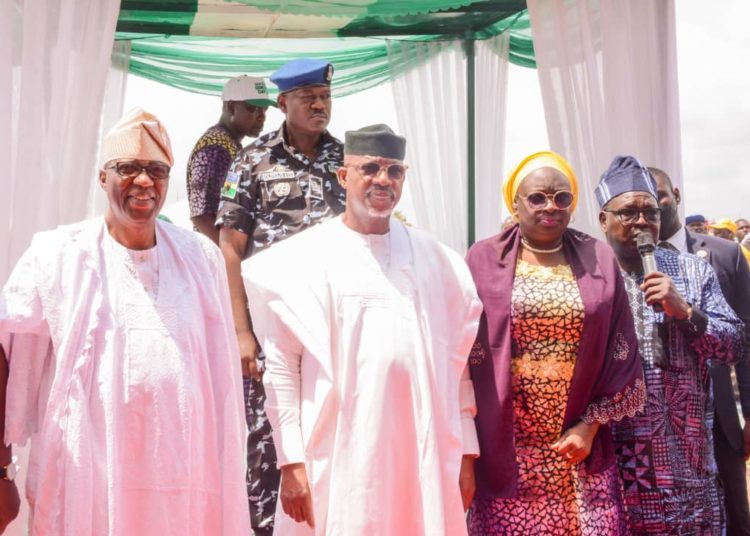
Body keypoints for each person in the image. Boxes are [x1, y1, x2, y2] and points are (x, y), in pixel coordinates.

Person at [0, 109, 250, 535]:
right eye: (128, 168)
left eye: (156, 170)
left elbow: (222, 379)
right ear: (103, 178)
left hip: (183, 473)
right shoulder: (58, 255)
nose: (144, 182)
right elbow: (7, 352)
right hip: (88, 477)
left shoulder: (200, 257)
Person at [243, 124, 482, 535]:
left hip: (419, 452)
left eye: (394, 171)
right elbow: (282, 370)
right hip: (335, 454)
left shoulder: (438, 261)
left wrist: (467, 453)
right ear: (343, 176)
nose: (382, 180)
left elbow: (458, 365)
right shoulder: (301, 260)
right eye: (370, 168)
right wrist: (291, 462)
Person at [466, 151, 645, 536]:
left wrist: (590, 426)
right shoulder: (482, 259)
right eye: (537, 197)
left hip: (576, 440)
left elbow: (620, 347)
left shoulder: (598, 256)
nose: (551, 206)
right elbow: (465, 351)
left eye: (562, 197)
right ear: (515, 203)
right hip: (505, 442)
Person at [216, 58, 346, 535]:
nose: (319, 104)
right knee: (268, 448)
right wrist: (241, 331)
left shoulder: (346, 160)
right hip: (271, 334)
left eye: (326, 96)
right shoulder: (252, 161)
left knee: (330, 439)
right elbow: (230, 248)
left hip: (329, 331)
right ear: (282, 102)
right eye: (309, 96)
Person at [598, 156, 743, 534]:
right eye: (628, 212)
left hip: (689, 467)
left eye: (650, 211)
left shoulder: (694, 271)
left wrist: (686, 313)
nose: (643, 221)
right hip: (617, 466)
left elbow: (735, 345)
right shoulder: (590, 277)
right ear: (604, 220)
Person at [650, 166, 750, 535]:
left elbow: (746, 339)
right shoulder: (617, 264)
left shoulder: (725, 255)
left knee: (735, 514)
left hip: (720, 418)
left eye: (658, 196)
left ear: (675, 194)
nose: (652, 210)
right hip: (652, 430)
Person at [187, 75, 275, 244]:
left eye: (264, 110)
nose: (261, 116)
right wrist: (232, 257)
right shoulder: (215, 149)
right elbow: (202, 215)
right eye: (253, 108)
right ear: (231, 107)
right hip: (216, 259)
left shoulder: (230, 146)